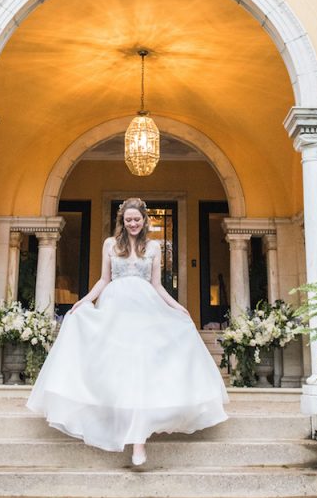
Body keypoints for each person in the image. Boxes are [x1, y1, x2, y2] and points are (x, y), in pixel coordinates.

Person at [27, 197, 229, 466]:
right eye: (128, 220)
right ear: (122, 221)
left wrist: (178, 306)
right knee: (116, 367)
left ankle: (138, 442)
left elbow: (157, 285)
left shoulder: (154, 247)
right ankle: (115, 423)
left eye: (137, 219)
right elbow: (104, 279)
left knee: (141, 370)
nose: (132, 224)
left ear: (145, 220)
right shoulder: (110, 244)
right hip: (115, 307)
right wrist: (85, 300)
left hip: (145, 309)